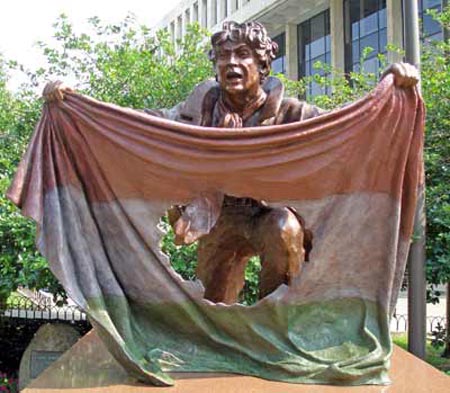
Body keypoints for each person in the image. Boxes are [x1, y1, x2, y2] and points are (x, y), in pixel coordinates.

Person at [43, 21, 419, 305]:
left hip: (268, 215)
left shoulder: (292, 112)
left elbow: (346, 131)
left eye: (243, 56)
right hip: (218, 218)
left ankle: (278, 329)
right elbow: (145, 123)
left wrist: (390, 92)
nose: (232, 63)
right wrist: (80, 107)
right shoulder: (197, 109)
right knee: (213, 312)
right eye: (224, 56)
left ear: (262, 65)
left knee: (284, 229)